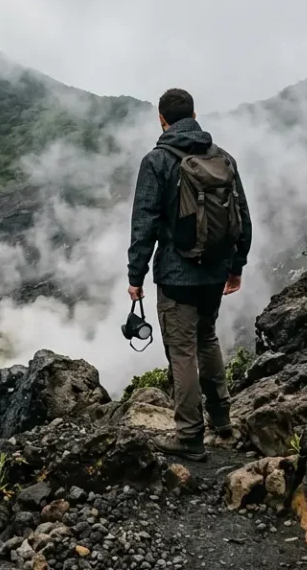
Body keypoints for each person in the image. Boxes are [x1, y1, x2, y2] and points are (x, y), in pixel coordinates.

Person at [126, 87, 252, 460]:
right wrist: (236, 267)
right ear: (194, 115)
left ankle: (189, 437)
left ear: (162, 120)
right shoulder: (223, 157)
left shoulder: (158, 161)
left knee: (181, 352)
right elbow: (241, 217)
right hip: (215, 271)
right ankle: (222, 422)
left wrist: (136, 276)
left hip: (177, 275)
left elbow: (143, 224)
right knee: (208, 340)